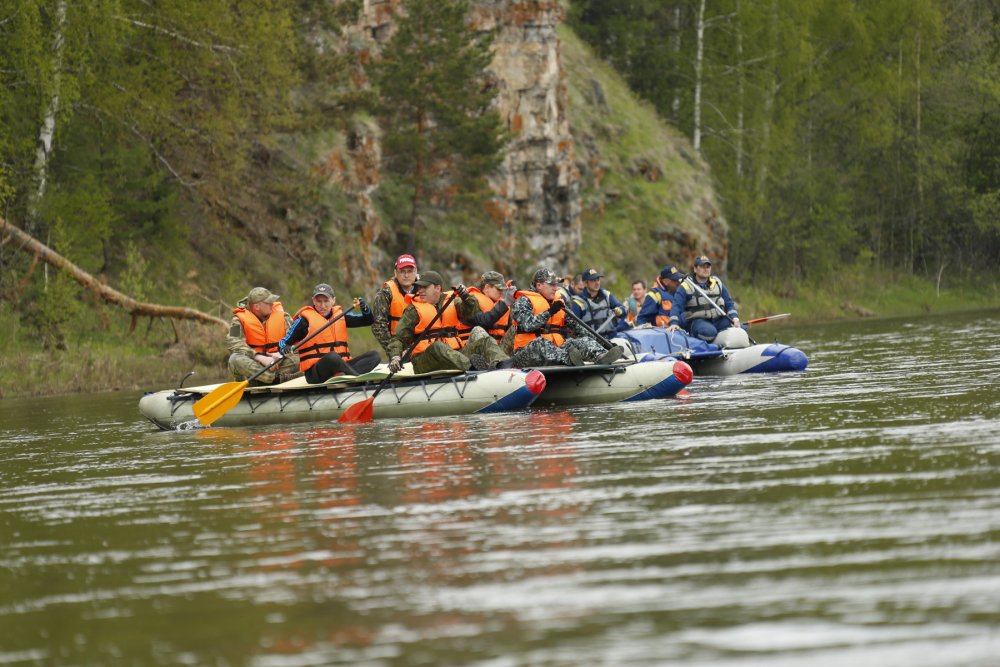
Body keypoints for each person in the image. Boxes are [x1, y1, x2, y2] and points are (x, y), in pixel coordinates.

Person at [387, 271, 511, 374]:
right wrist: (395, 356)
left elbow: (471, 313)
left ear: (437, 288)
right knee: (438, 346)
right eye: (420, 287)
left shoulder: (452, 302)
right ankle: (475, 369)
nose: (421, 291)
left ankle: (505, 364)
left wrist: (466, 297)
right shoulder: (413, 310)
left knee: (485, 342)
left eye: (425, 287)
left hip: (455, 354)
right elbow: (398, 338)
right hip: (424, 361)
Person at [508, 267, 625, 368]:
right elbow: (527, 325)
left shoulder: (558, 302)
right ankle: (571, 360)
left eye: (556, 285)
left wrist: (603, 343)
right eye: (551, 285)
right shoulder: (523, 301)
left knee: (584, 341)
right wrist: (550, 312)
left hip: (556, 349)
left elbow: (579, 328)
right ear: (539, 285)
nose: (555, 288)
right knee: (540, 343)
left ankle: (602, 356)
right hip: (526, 353)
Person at [279, 283, 382, 384]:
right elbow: (283, 342)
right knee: (332, 357)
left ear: (333, 300)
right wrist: (285, 348)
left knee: (374, 356)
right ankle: (356, 380)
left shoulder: (340, 316)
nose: (323, 306)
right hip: (316, 373)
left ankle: (346, 376)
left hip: (341, 365)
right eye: (319, 301)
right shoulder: (304, 320)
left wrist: (365, 309)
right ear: (313, 301)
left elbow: (368, 320)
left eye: (326, 301)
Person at [227, 287, 300, 385]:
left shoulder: (283, 316)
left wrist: (281, 355)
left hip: (278, 362)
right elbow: (233, 342)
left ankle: (262, 380)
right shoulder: (237, 320)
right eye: (268, 303)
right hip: (254, 364)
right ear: (257, 306)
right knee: (234, 359)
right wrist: (259, 357)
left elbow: (294, 339)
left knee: (299, 357)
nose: (272, 304)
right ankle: (273, 379)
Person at [668, 255, 744, 341]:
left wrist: (735, 318)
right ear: (695, 269)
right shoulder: (686, 286)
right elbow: (676, 306)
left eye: (708, 267)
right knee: (709, 332)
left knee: (741, 329)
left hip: (717, 320)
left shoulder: (717, 283)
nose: (706, 269)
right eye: (702, 266)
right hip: (698, 321)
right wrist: (674, 323)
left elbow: (729, 303)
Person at [459, 271, 518, 354]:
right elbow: (483, 321)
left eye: (503, 290)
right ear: (487, 287)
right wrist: (505, 303)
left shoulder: (503, 305)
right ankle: (498, 362)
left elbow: (509, 331)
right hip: (475, 351)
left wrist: (517, 302)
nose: (501, 292)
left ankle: (515, 357)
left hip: (499, 350)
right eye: (498, 289)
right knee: (478, 330)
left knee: (516, 327)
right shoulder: (470, 301)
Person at [371, 254, 418, 356]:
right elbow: (378, 325)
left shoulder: (425, 289)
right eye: (402, 271)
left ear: (416, 272)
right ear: (395, 272)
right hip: (399, 349)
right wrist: (395, 351)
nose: (406, 275)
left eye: (410, 271)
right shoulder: (386, 292)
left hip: (422, 346)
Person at [571, 268, 630, 333]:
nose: (597, 283)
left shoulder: (607, 295)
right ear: (585, 284)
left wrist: (620, 311)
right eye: (593, 280)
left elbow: (623, 310)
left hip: (612, 338)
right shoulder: (578, 302)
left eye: (598, 280)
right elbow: (573, 326)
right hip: (590, 341)